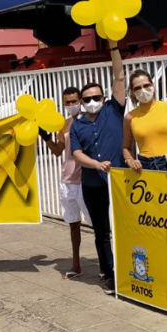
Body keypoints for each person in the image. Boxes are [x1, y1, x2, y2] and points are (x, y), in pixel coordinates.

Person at [70, 39, 125, 295]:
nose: (92, 101)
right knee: (101, 230)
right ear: (82, 101)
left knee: (124, 227)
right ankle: (109, 273)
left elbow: (119, 76)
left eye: (96, 97)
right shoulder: (78, 125)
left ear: (104, 97)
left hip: (120, 181)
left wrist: (113, 46)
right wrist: (96, 164)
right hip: (93, 183)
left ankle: (129, 269)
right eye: (88, 99)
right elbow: (76, 154)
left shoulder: (113, 111)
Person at [40, 87, 90, 279]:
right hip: (67, 181)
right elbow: (57, 151)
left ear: (81, 101)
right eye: (67, 102)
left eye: (74, 101)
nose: (71, 105)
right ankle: (76, 264)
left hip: (86, 180)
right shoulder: (65, 125)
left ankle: (107, 265)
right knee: (73, 224)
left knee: (98, 225)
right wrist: (44, 136)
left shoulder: (90, 121)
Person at [122, 70, 167, 172]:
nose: (143, 90)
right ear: (132, 92)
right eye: (137, 88)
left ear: (152, 85)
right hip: (144, 167)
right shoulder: (129, 117)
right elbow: (126, 148)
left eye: (146, 85)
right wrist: (130, 160)